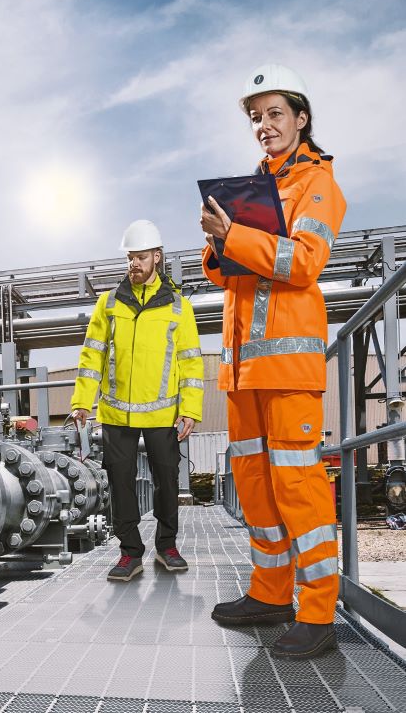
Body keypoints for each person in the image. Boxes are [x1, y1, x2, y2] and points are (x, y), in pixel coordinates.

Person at [200, 64, 346, 659]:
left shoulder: (318, 185)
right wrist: (217, 241)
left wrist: (233, 236)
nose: (264, 126)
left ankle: (317, 615)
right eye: (256, 117)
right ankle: (270, 593)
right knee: (256, 489)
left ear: (301, 117)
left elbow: (304, 263)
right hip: (243, 371)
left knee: (299, 489)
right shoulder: (252, 189)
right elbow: (228, 274)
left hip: (287, 370)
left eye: (275, 113)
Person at [71, 219, 203, 581]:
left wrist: (190, 408)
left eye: (141, 257)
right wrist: (82, 401)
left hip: (163, 414)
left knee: (167, 481)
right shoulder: (109, 304)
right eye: (130, 257)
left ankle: (167, 546)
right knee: (121, 483)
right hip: (116, 413)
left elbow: (190, 361)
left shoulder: (178, 308)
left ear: (157, 258)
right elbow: (92, 355)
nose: (134, 264)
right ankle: (130, 553)